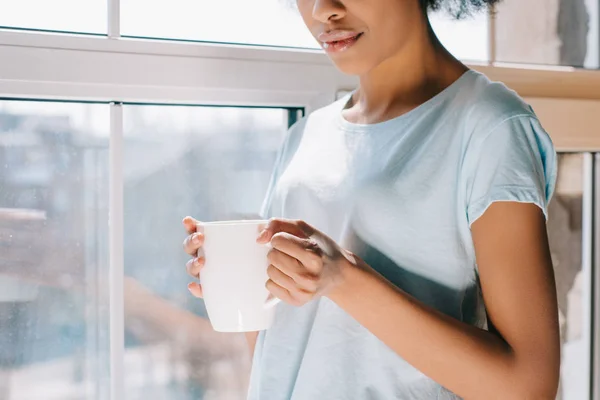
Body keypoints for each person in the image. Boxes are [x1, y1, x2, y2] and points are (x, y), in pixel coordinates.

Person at [183, 0, 560, 398]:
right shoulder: (305, 136)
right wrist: (238, 278)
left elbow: (528, 387)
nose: (322, 11)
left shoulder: (491, 127)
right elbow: (286, 352)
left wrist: (343, 277)